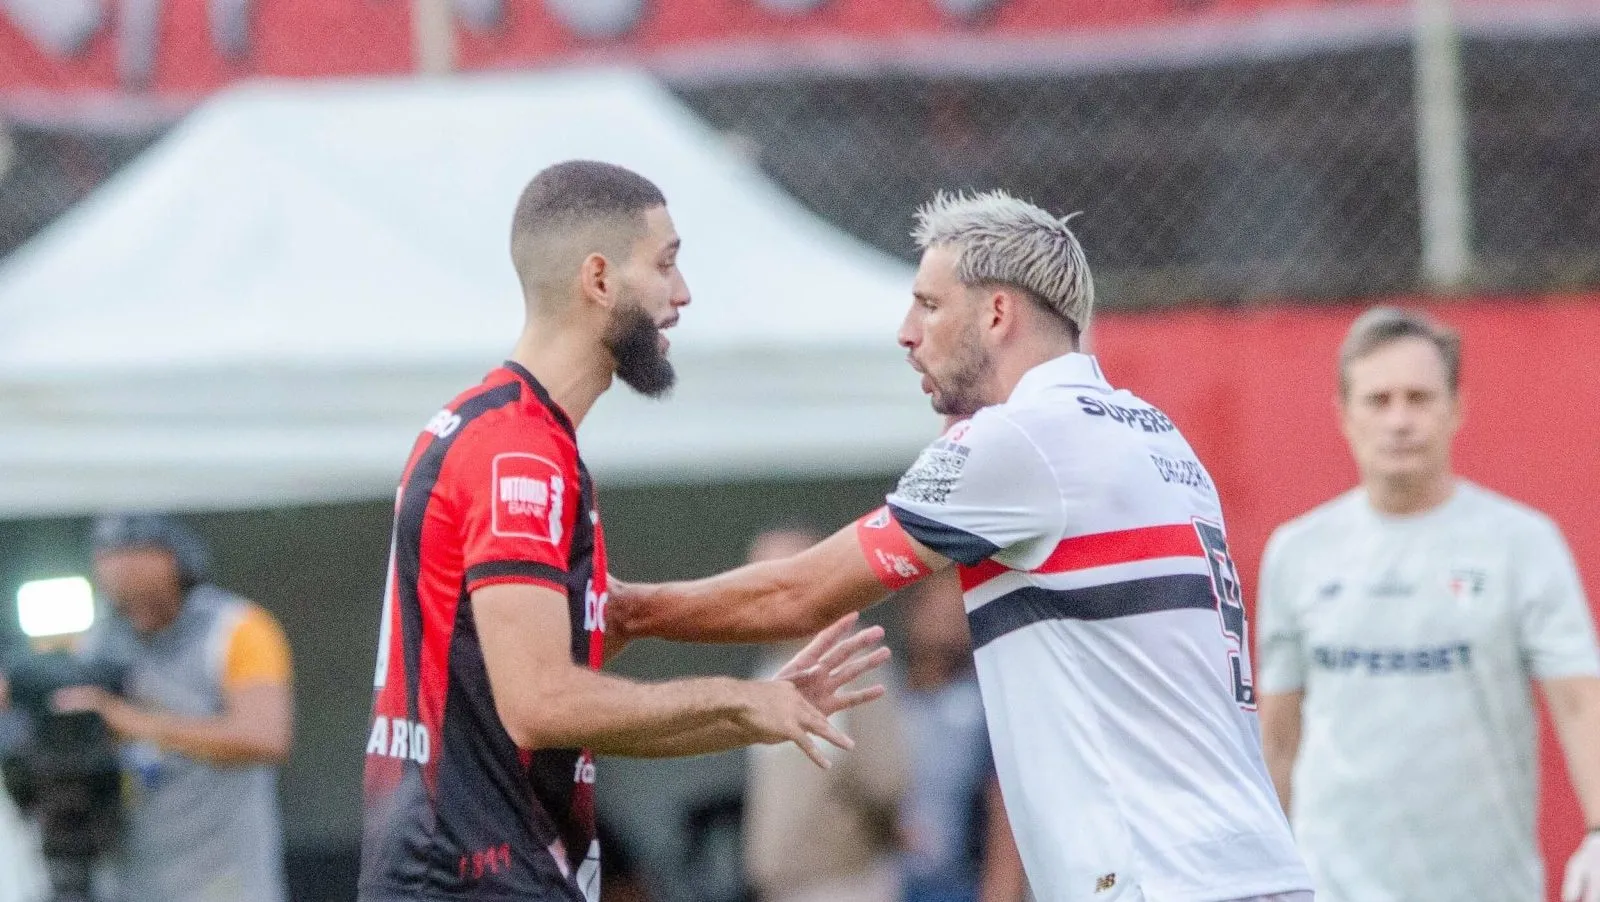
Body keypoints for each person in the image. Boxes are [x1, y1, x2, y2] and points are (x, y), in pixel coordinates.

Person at [611, 189, 1313, 902]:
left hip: (1163, 879)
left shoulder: (1021, 437)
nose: (906, 332)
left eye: (929, 304)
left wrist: (622, 611)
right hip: (1244, 867)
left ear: (998, 312)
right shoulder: (1155, 433)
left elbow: (801, 594)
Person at [356, 160, 892, 902]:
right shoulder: (520, 451)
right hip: (472, 882)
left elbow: (613, 621)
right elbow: (541, 702)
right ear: (599, 279)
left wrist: (765, 704)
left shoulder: (512, 430)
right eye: (666, 264)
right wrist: (742, 700)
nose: (683, 294)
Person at [1255, 306, 1600, 902]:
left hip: (1485, 886)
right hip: (1333, 884)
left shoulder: (1521, 543)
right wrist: (1258, 861)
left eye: (1419, 398)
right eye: (1378, 400)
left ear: (1456, 409)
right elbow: (1279, 732)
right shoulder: (1297, 551)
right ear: (1344, 415)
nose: (1400, 420)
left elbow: (1577, 700)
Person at [55, 513, 294, 902]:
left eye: (143, 595)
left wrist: (134, 723)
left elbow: (266, 737)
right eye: (123, 602)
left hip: (222, 877)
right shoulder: (102, 638)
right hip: (131, 877)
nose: (135, 614)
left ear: (173, 564)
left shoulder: (236, 629)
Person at [742, 526, 910, 902]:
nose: (759, 593)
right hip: (783, 888)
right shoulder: (774, 662)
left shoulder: (853, 655)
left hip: (843, 884)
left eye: (775, 577)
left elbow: (884, 780)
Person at [895, 570, 1025, 902]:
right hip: (887, 884)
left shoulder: (988, 706)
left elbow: (1005, 808)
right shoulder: (886, 699)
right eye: (936, 610)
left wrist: (1000, 891)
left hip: (960, 885)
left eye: (959, 613)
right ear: (913, 612)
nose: (948, 625)